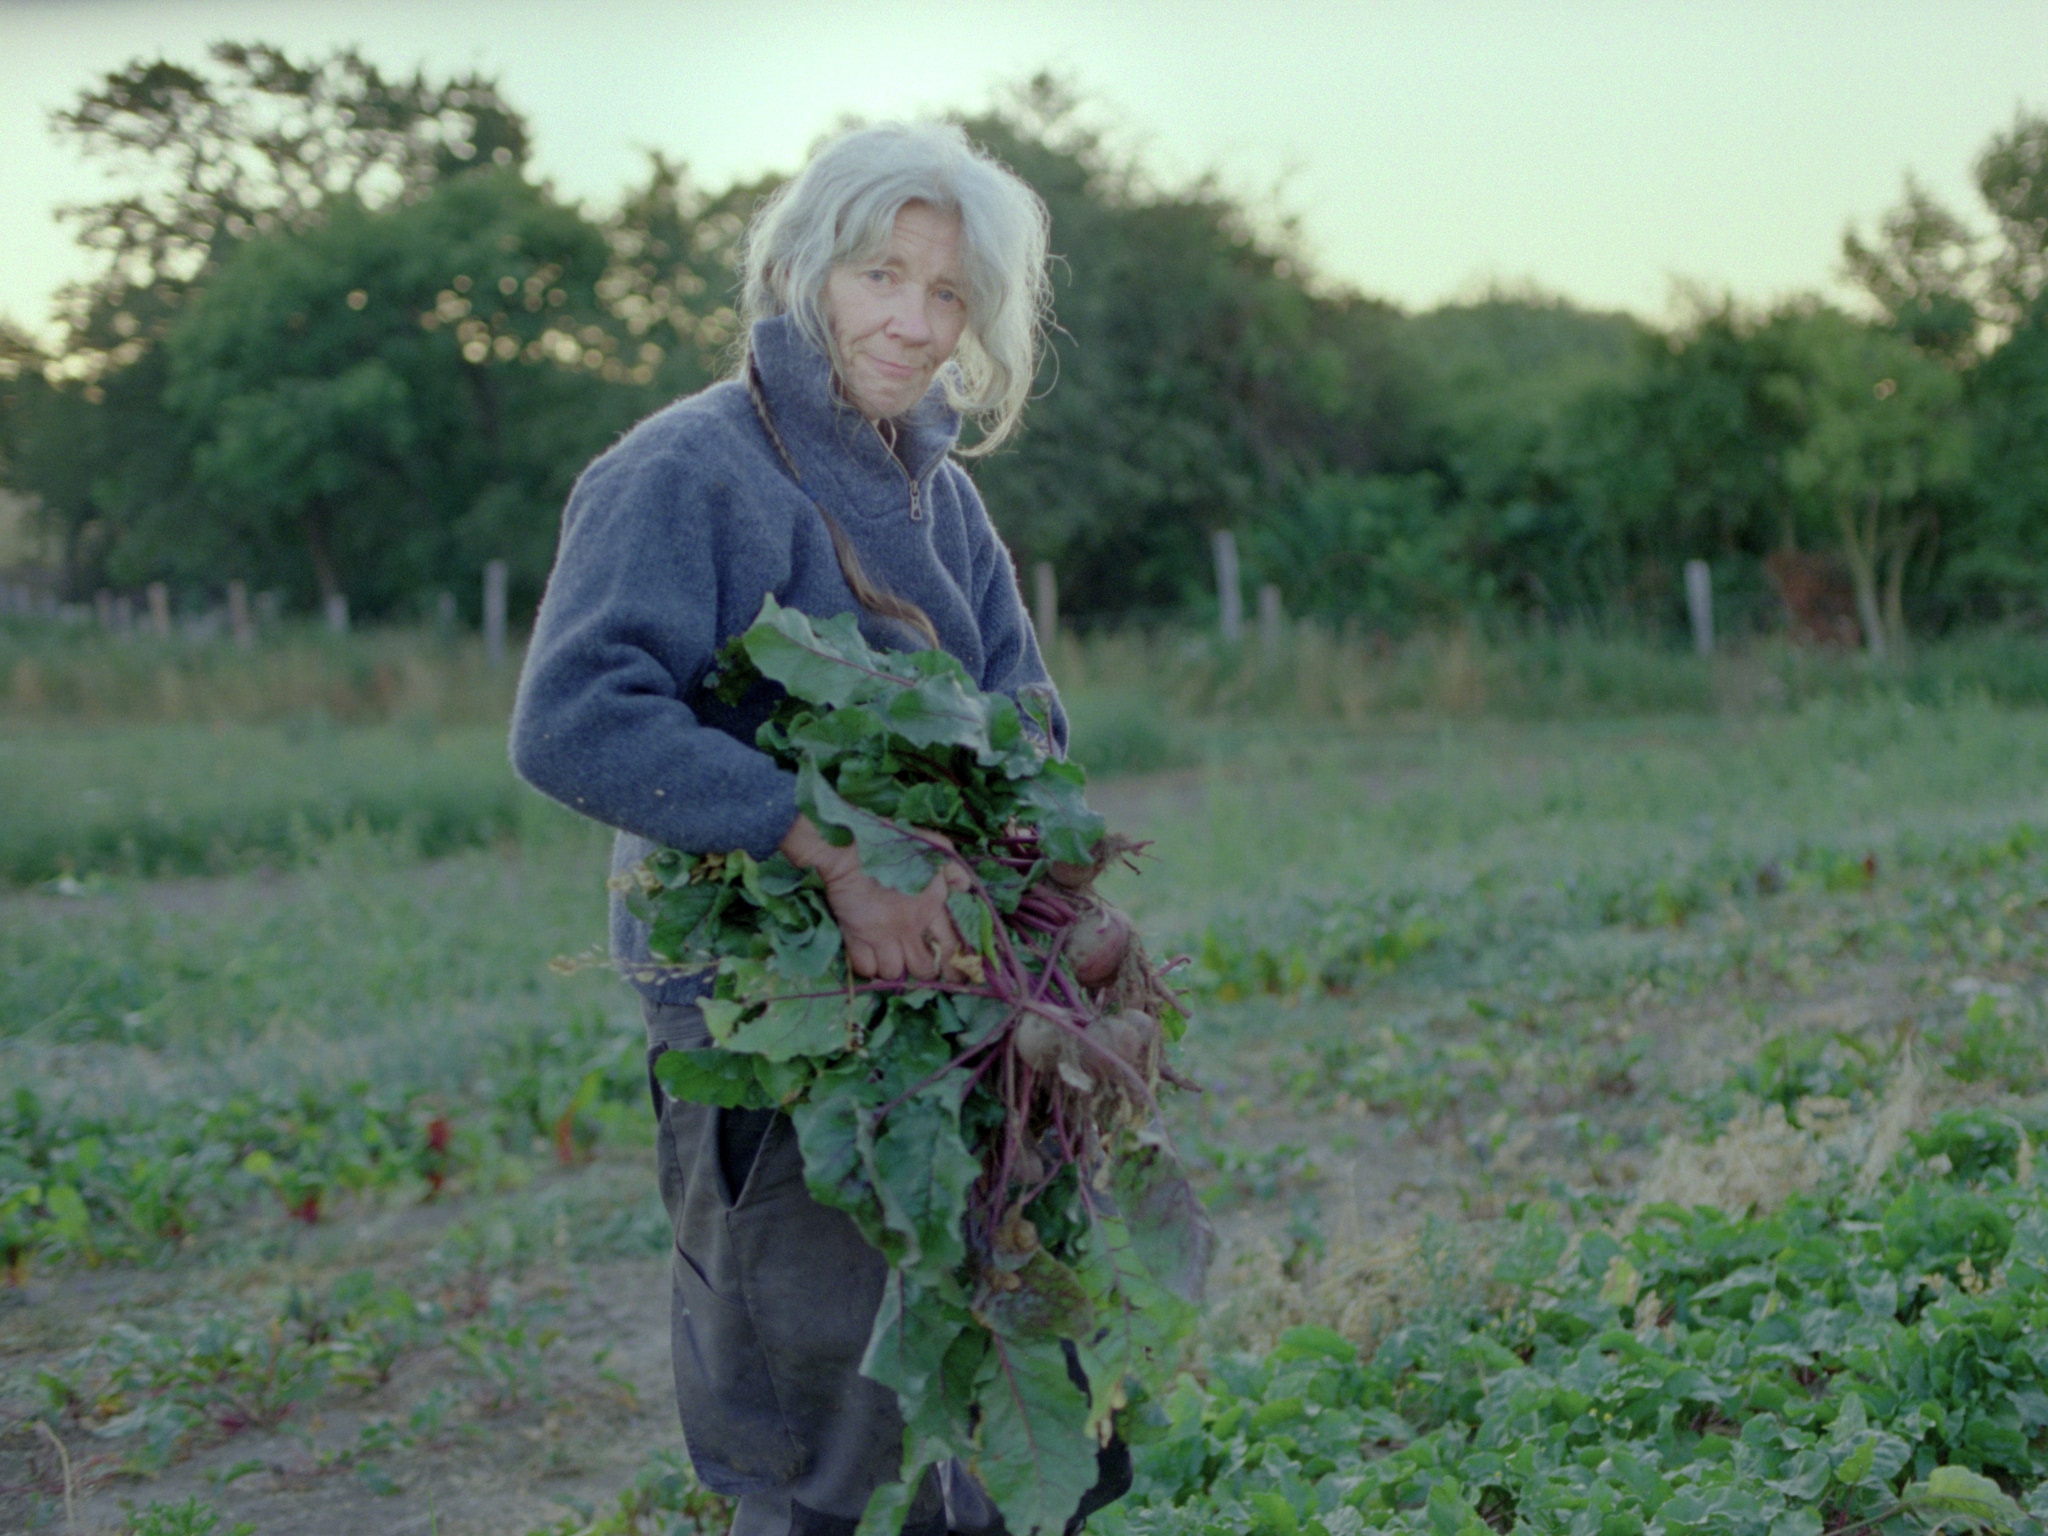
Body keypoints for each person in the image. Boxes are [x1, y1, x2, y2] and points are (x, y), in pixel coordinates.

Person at [509, 122, 1127, 1536]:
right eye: (879, 276)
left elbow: (1025, 722)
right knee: (823, 1458)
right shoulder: (687, 471)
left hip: (950, 1021)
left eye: (950, 293)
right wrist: (830, 850)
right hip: (766, 1025)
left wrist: (1040, 899)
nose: (913, 323)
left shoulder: (940, 491)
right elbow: (572, 720)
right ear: (800, 270)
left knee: (1004, 1411)